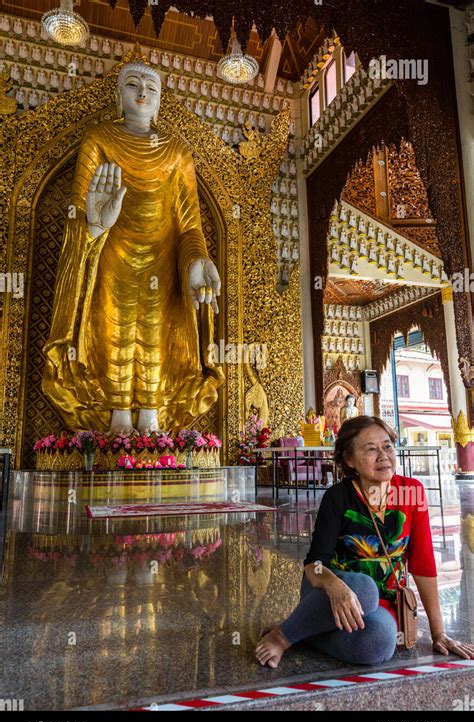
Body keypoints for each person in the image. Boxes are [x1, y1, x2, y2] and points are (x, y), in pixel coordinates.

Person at [42, 60, 224, 435]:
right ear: (118, 95)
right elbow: (80, 209)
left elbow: (189, 224)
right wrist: (94, 222)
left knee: (158, 334)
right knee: (113, 329)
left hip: (163, 261)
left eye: (152, 89)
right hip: (112, 252)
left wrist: (197, 261)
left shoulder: (177, 152)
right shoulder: (99, 139)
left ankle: (152, 423)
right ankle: (117, 423)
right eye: (133, 85)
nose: (142, 94)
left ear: (160, 103)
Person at [256, 415, 474, 667]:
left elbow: (423, 564)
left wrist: (439, 633)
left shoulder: (412, 492)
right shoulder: (338, 497)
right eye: (370, 449)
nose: (383, 455)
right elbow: (313, 566)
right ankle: (283, 636)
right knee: (365, 589)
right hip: (327, 593)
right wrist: (336, 586)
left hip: (383, 603)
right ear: (349, 460)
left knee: (381, 641)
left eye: (387, 446)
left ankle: (305, 633)